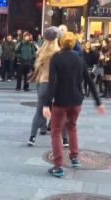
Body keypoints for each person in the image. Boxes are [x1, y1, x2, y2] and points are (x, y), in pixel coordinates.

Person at [43, 32, 105, 177]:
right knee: (72, 127)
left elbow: (52, 83)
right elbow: (89, 81)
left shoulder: (56, 58)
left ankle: (58, 166)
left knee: (56, 132)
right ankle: (74, 157)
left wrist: (46, 104)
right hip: (77, 100)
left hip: (60, 101)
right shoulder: (79, 59)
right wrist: (98, 102)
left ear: (60, 42)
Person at [28, 27, 60, 146]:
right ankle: (65, 140)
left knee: (39, 111)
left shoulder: (41, 51)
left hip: (42, 83)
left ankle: (32, 137)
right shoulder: (58, 52)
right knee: (60, 111)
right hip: (55, 85)